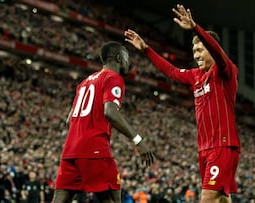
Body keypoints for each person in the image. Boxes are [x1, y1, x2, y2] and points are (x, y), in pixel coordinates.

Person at [124, 4, 241, 203]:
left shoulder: (225, 72)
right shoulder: (195, 75)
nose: (196, 55)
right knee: (221, 199)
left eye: (200, 49)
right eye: (193, 50)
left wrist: (195, 28)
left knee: (207, 198)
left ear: (211, 48)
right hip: (204, 148)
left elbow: (218, 53)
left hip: (222, 146)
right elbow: (171, 71)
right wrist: (146, 50)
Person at [52, 41, 155, 203]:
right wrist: (138, 140)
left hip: (70, 150)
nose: (128, 63)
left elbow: (69, 120)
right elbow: (110, 112)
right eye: (126, 58)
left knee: (60, 199)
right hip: (94, 149)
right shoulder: (113, 78)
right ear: (119, 58)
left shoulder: (85, 82)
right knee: (113, 198)